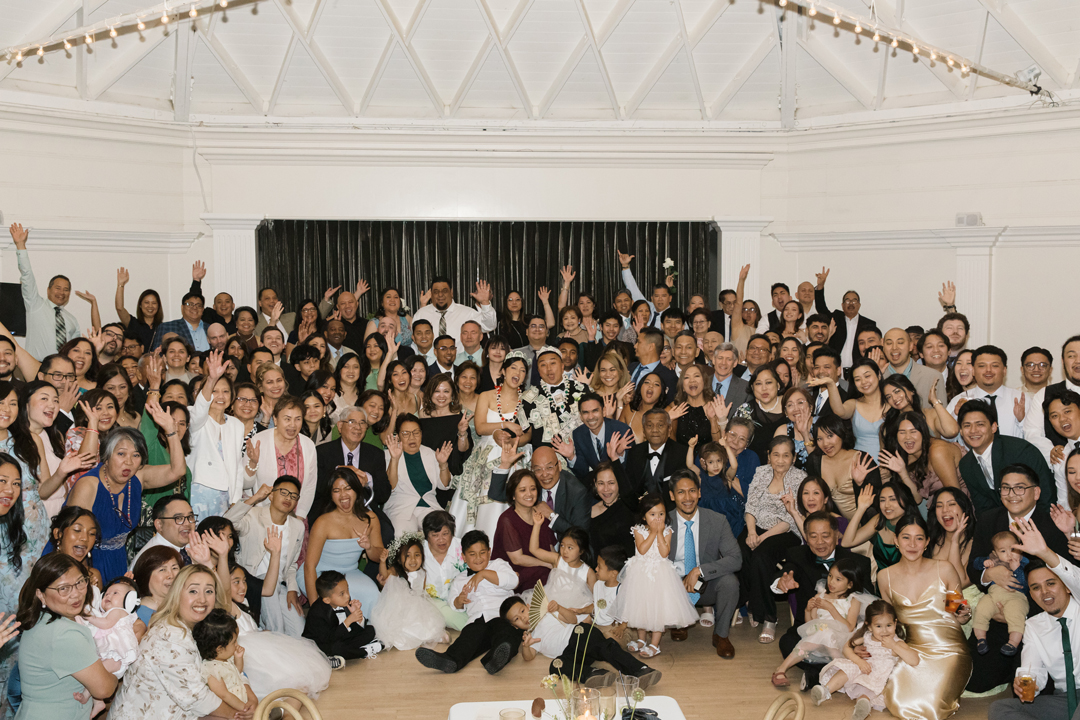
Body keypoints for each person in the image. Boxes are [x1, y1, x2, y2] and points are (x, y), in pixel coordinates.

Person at [966, 463, 1070, 692]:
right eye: (1005, 488)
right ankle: (1005, 665)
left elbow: (1066, 576)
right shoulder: (988, 520)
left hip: (1038, 617)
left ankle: (1017, 664)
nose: (1012, 495)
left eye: (1020, 488)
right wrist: (989, 573)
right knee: (975, 681)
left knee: (1033, 689)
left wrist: (1019, 613)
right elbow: (972, 568)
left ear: (1036, 492)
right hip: (996, 610)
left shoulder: (1053, 523)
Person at [110, 564, 251, 720]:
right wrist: (240, 716)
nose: (202, 599)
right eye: (193, 591)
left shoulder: (201, 627)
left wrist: (250, 699)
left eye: (209, 591)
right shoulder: (169, 635)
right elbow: (197, 698)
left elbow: (228, 664)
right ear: (177, 594)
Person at [877, 514, 972, 720]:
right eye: (906, 537)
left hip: (950, 650)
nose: (912, 544)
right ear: (895, 540)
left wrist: (964, 614)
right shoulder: (884, 577)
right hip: (912, 651)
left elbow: (959, 616)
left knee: (930, 706)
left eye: (919, 538)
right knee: (897, 702)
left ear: (927, 542)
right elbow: (887, 620)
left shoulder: (945, 569)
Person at [986, 519, 1080, 720]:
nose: (1044, 592)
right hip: (1063, 700)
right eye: (1036, 587)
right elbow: (1032, 670)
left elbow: (1075, 577)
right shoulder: (1033, 625)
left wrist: (1043, 551)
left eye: (1051, 583)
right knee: (1000, 709)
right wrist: (1025, 683)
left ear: (1066, 587)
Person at [772, 511, 874, 688]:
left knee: (869, 650)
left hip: (848, 632)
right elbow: (788, 570)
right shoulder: (797, 554)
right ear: (806, 537)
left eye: (825, 536)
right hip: (810, 626)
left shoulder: (858, 563)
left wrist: (855, 643)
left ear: (837, 535)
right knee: (787, 642)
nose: (820, 542)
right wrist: (782, 580)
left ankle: (816, 673)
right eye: (813, 536)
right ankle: (833, 672)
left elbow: (870, 611)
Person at [13, 553, 116, 720]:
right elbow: (104, 689)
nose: (75, 594)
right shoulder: (64, 634)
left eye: (80, 582)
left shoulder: (40, 620)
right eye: (64, 589)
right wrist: (113, 673)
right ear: (41, 595)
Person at [414, 530, 521, 675]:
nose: (478, 558)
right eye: (472, 554)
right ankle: (449, 660)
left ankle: (494, 660)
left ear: (489, 552)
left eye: (482, 552)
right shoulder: (460, 579)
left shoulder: (498, 565)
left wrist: (483, 574)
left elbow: (513, 581)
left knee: (508, 635)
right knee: (467, 640)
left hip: (500, 616)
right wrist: (460, 601)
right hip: (477, 620)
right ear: (463, 557)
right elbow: (454, 604)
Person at [450, 353, 532, 538]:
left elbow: (528, 433)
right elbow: (479, 427)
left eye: (522, 370)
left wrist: (513, 441)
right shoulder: (486, 396)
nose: (517, 373)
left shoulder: (525, 400)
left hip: (513, 454)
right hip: (486, 455)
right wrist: (504, 426)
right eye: (513, 368)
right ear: (503, 371)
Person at [508, 594, 663, 689]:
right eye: (517, 619)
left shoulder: (547, 614)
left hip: (579, 634)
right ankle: (594, 674)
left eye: (522, 611)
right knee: (555, 666)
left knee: (606, 648)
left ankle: (641, 669)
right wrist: (526, 646)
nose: (523, 618)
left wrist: (559, 608)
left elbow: (572, 619)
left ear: (528, 607)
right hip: (571, 654)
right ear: (515, 627)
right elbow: (528, 657)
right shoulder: (530, 637)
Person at [611, 492, 699, 659]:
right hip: (641, 575)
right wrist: (652, 532)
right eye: (652, 515)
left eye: (661, 514)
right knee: (640, 609)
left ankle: (655, 644)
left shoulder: (667, 531)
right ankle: (641, 639)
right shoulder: (638, 530)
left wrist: (659, 533)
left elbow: (665, 553)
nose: (657, 518)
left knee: (658, 610)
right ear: (644, 517)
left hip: (660, 576)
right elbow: (642, 549)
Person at [667, 471, 742, 658]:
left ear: (699, 493)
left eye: (692, 491)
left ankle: (721, 635)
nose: (687, 498)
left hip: (704, 582)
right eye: (681, 492)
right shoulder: (662, 521)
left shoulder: (717, 520)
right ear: (672, 496)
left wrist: (700, 570)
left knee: (730, 582)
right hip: (672, 584)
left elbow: (735, 558)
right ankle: (679, 622)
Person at [742, 436, 807, 642]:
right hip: (757, 526)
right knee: (740, 550)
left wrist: (762, 537)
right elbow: (750, 506)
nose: (780, 460)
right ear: (768, 456)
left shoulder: (799, 478)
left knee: (761, 555)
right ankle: (752, 602)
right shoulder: (761, 472)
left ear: (793, 458)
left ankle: (769, 617)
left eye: (786, 455)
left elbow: (790, 518)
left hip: (786, 532)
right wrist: (752, 532)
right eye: (776, 455)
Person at [812, 599, 922, 720]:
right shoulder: (867, 636)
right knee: (847, 669)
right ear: (869, 626)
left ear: (895, 624)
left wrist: (894, 646)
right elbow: (846, 647)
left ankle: (862, 708)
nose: (884, 630)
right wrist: (858, 661)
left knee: (866, 691)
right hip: (861, 666)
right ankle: (825, 690)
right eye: (878, 626)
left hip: (877, 675)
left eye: (889, 625)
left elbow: (914, 660)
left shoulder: (896, 642)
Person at [224, 477, 305, 637]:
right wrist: (254, 498)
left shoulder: (298, 526)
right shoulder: (253, 515)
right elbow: (226, 522)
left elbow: (292, 564)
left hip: (279, 586)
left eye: (294, 496)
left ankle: (269, 632)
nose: (288, 498)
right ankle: (273, 639)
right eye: (284, 492)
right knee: (278, 629)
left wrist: (292, 588)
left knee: (298, 631)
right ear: (271, 495)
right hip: (252, 582)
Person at [771, 558, 867, 688]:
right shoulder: (820, 596)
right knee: (821, 633)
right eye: (830, 576)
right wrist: (808, 610)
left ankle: (782, 669)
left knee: (827, 634)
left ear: (850, 584)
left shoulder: (853, 600)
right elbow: (811, 623)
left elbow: (849, 627)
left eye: (838, 580)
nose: (831, 582)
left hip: (840, 640)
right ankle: (782, 669)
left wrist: (831, 608)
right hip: (817, 640)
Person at [302, 469, 384, 618]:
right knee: (334, 601)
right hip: (320, 574)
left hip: (350, 573)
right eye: (337, 490)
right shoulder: (323, 522)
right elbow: (309, 566)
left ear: (357, 491)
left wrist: (369, 547)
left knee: (372, 595)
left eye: (348, 488)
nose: (343, 495)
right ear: (331, 495)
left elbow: (378, 555)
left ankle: (365, 636)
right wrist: (316, 609)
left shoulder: (370, 518)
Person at [956, 401, 1055, 518]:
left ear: (993, 427)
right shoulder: (966, 465)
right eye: (967, 425)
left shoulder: (1019, 450)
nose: (973, 430)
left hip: (1037, 518)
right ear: (961, 431)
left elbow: (1046, 492)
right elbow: (983, 507)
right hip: (1003, 525)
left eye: (980, 424)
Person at [9, 224, 81, 361]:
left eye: (66, 290)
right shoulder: (35, 305)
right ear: (48, 290)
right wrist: (20, 245)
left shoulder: (72, 320)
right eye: (58, 288)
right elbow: (27, 275)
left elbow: (77, 349)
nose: (62, 292)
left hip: (64, 370)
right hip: (37, 366)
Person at [371, 533, 447, 651]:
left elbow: (421, 591)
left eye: (417, 555)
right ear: (399, 559)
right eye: (407, 556)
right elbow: (384, 575)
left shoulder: (423, 572)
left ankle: (430, 635)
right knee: (406, 623)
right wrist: (382, 562)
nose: (413, 560)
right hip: (399, 605)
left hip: (417, 603)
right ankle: (418, 637)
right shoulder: (395, 570)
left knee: (426, 620)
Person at [248, 396, 318, 518]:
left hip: (295, 518)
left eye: (298, 419)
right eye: (287, 419)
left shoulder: (308, 445)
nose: (292, 425)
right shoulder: (259, 441)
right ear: (275, 419)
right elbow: (247, 484)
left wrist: (300, 517)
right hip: (260, 517)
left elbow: (310, 486)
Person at [385, 414, 453, 536]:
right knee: (402, 536)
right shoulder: (387, 455)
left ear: (421, 434)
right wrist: (394, 459)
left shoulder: (430, 453)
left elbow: (444, 485)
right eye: (406, 433)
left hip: (428, 506)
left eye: (416, 432)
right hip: (401, 507)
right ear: (398, 435)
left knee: (443, 531)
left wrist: (443, 464)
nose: (412, 437)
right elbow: (390, 486)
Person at [879, 410, 966, 505]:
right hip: (941, 507)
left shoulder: (938, 451)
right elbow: (917, 499)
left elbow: (957, 496)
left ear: (923, 433)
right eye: (902, 432)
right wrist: (902, 472)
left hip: (962, 505)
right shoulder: (905, 457)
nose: (907, 437)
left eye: (913, 431)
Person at [492, 469, 555, 592]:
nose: (529, 494)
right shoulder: (507, 520)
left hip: (544, 570)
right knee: (545, 575)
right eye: (522, 490)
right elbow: (517, 559)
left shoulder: (541, 513)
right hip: (515, 575)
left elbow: (550, 547)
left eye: (533, 489)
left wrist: (557, 565)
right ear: (513, 495)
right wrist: (548, 564)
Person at [807, 358, 885, 458]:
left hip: (888, 464)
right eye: (857, 379)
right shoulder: (854, 403)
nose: (863, 382)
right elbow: (839, 411)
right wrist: (831, 384)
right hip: (858, 463)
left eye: (867, 376)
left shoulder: (892, 403)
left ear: (878, 375)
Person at [302, 570, 383, 664]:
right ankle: (364, 651)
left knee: (370, 630)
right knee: (338, 648)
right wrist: (347, 621)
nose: (347, 596)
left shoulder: (343, 602)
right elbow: (329, 639)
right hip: (321, 645)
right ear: (327, 600)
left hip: (340, 637)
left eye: (347, 590)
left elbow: (353, 630)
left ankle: (353, 650)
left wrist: (358, 618)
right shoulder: (318, 612)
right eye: (342, 594)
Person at [946, 345, 1026, 440]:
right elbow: (946, 439)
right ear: (974, 371)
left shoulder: (1021, 399)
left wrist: (1022, 421)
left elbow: (1034, 438)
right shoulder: (959, 400)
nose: (988, 370)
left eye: (995, 366)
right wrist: (956, 416)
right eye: (982, 366)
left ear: (1004, 370)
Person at [611, 408, 688, 505]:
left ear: (669, 429)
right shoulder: (635, 452)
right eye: (649, 426)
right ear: (643, 430)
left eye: (660, 425)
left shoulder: (682, 453)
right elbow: (629, 489)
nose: (655, 430)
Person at [971, 530, 1029, 656]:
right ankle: (981, 639)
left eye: (1012, 549)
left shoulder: (1024, 562)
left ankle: (1013, 643)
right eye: (1003, 551)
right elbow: (975, 563)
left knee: (1016, 614)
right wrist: (984, 563)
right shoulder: (993, 560)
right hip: (993, 595)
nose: (1009, 555)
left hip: (1016, 596)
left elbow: (1025, 585)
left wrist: (1017, 569)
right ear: (995, 553)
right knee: (981, 608)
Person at [76, 576, 145, 679]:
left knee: (99, 672)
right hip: (105, 651)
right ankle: (86, 693)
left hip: (116, 655)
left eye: (115, 593)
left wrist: (89, 616)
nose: (108, 596)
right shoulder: (103, 613)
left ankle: (86, 691)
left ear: (129, 599)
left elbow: (106, 624)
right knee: (97, 673)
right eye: (106, 594)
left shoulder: (119, 611)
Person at [842, 481, 919, 573]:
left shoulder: (916, 527)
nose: (887, 505)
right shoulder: (879, 520)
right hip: (882, 583)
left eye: (893, 499)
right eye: (882, 500)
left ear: (906, 500)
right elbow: (846, 542)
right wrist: (861, 508)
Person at [411, 276, 497, 353]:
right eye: (436, 292)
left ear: (451, 292)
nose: (440, 295)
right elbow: (415, 343)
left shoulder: (467, 313)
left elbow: (489, 326)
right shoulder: (421, 314)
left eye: (444, 291)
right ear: (431, 295)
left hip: (460, 365)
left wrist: (485, 302)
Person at [814, 271, 878, 370]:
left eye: (854, 301)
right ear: (842, 305)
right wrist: (820, 286)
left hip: (860, 369)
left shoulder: (869, 324)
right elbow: (821, 308)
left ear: (859, 305)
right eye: (847, 301)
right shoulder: (836, 318)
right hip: (836, 369)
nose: (851, 303)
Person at [527, 522, 594, 617]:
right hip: (551, 601)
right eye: (562, 545)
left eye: (570, 548)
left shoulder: (588, 572)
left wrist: (582, 610)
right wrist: (537, 525)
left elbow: (597, 599)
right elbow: (534, 550)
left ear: (581, 551)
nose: (565, 551)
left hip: (574, 607)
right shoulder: (557, 559)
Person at [560, 392, 632, 479]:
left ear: (604, 411)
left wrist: (620, 455)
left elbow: (631, 468)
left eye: (595, 411)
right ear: (581, 416)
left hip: (622, 483)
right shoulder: (579, 434)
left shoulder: (621, 430)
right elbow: (583, 472)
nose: (590, 417)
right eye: (586, 412)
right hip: (597, 486)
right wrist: (571, 457)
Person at [192, 609, 250, 712]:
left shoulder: (225, 659)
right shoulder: (211, 670)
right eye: (234, 642)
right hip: (232, 708)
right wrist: (244, 709)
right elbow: (224, 695)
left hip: (241, 702)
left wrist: (238, 658)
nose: (237, 644)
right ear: (219, 649)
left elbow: (238, 671)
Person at [734, 365, 788, 463]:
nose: (764, 388)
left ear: (778, 385)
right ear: (752, 387)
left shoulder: (790, 407)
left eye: (768, 382)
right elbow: (732, 442)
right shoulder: (745, 410)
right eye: (758, 384)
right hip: (750, 467)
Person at [881, 374, 958, 440]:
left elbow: (952, 431)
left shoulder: (930, 415)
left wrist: (934, 401)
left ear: (912, 391)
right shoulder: (888, 425)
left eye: (897, 391)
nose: (894, 398)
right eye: (888, 397)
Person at [587, 461, 636, 558]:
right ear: (595, 484)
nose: (606, 489)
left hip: (627, 568)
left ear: (620, 483)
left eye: (611, 483)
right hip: (600, 569)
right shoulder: (590, 511)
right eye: (601, 483)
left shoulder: (630, 508)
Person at [131, 545, 182, 625]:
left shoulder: (182, 605)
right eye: (162, 570)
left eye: (174, 568)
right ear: (146, 576)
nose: (171, 575)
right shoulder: (139, 615)